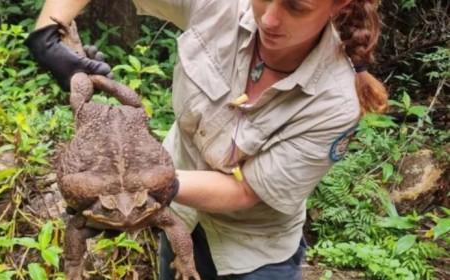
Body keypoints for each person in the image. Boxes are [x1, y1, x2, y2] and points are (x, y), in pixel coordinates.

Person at [25, 0, 388, 279]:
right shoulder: (222, 6)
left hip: (252, 254)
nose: (270, 18)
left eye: (296, 6)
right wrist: (47, 38)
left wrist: (143, 185)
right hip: (177, 219)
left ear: (339, 4)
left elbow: (247, 191)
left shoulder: (335, 102)